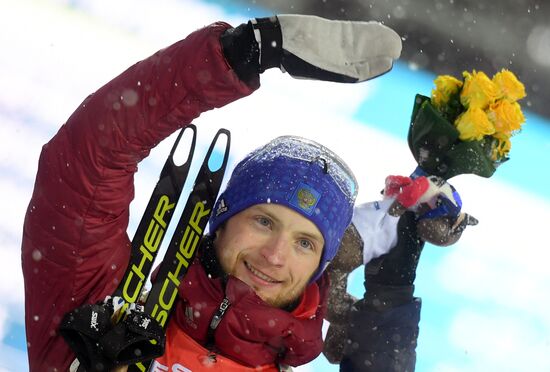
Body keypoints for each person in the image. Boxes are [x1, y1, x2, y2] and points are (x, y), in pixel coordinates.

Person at [21, 13, 473, 372]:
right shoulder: (99, 316)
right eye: (263, 221)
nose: (275, 255)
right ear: (220, 220)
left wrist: (388, 303)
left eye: (304, 243)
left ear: (323, 267)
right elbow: (84, 161)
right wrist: (239, 56)